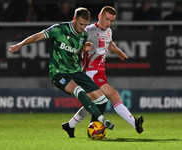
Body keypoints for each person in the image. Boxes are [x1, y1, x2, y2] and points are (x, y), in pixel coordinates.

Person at [9, 7, 114, 132]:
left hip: (75, 71)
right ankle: (101, 120)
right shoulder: (59, 29)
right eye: (81, 24)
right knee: (78, 90)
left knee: (101, 100)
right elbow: (38, 37)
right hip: (59, 72)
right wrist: (19, 44)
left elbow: (74, 50)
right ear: (74, 19)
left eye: (85, 24)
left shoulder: (83, 35)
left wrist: (82, 49)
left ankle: (77, 127)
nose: (83, 27)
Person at [62, 6, 144, 138]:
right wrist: (81, 49)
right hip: (90, 72)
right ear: (100, 16)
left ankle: (70, 125)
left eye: (111, 21)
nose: (109, 23)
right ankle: (134, 123)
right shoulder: (88, 31)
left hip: (100, 72)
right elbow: (73, 47)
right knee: (113, 95)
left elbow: (109, 43)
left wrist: (118, 51)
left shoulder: (109, 31)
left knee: (96, 102)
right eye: (107, 20)